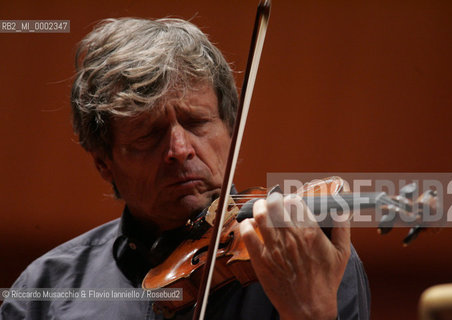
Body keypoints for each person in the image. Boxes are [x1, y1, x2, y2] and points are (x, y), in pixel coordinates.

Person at [0, 18, 370, 320]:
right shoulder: (44, 293)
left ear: (231, 130)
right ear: (103, 163)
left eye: (196, 123)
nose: (179, 150)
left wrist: (311, 314)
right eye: (148, 135)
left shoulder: (305, 253)